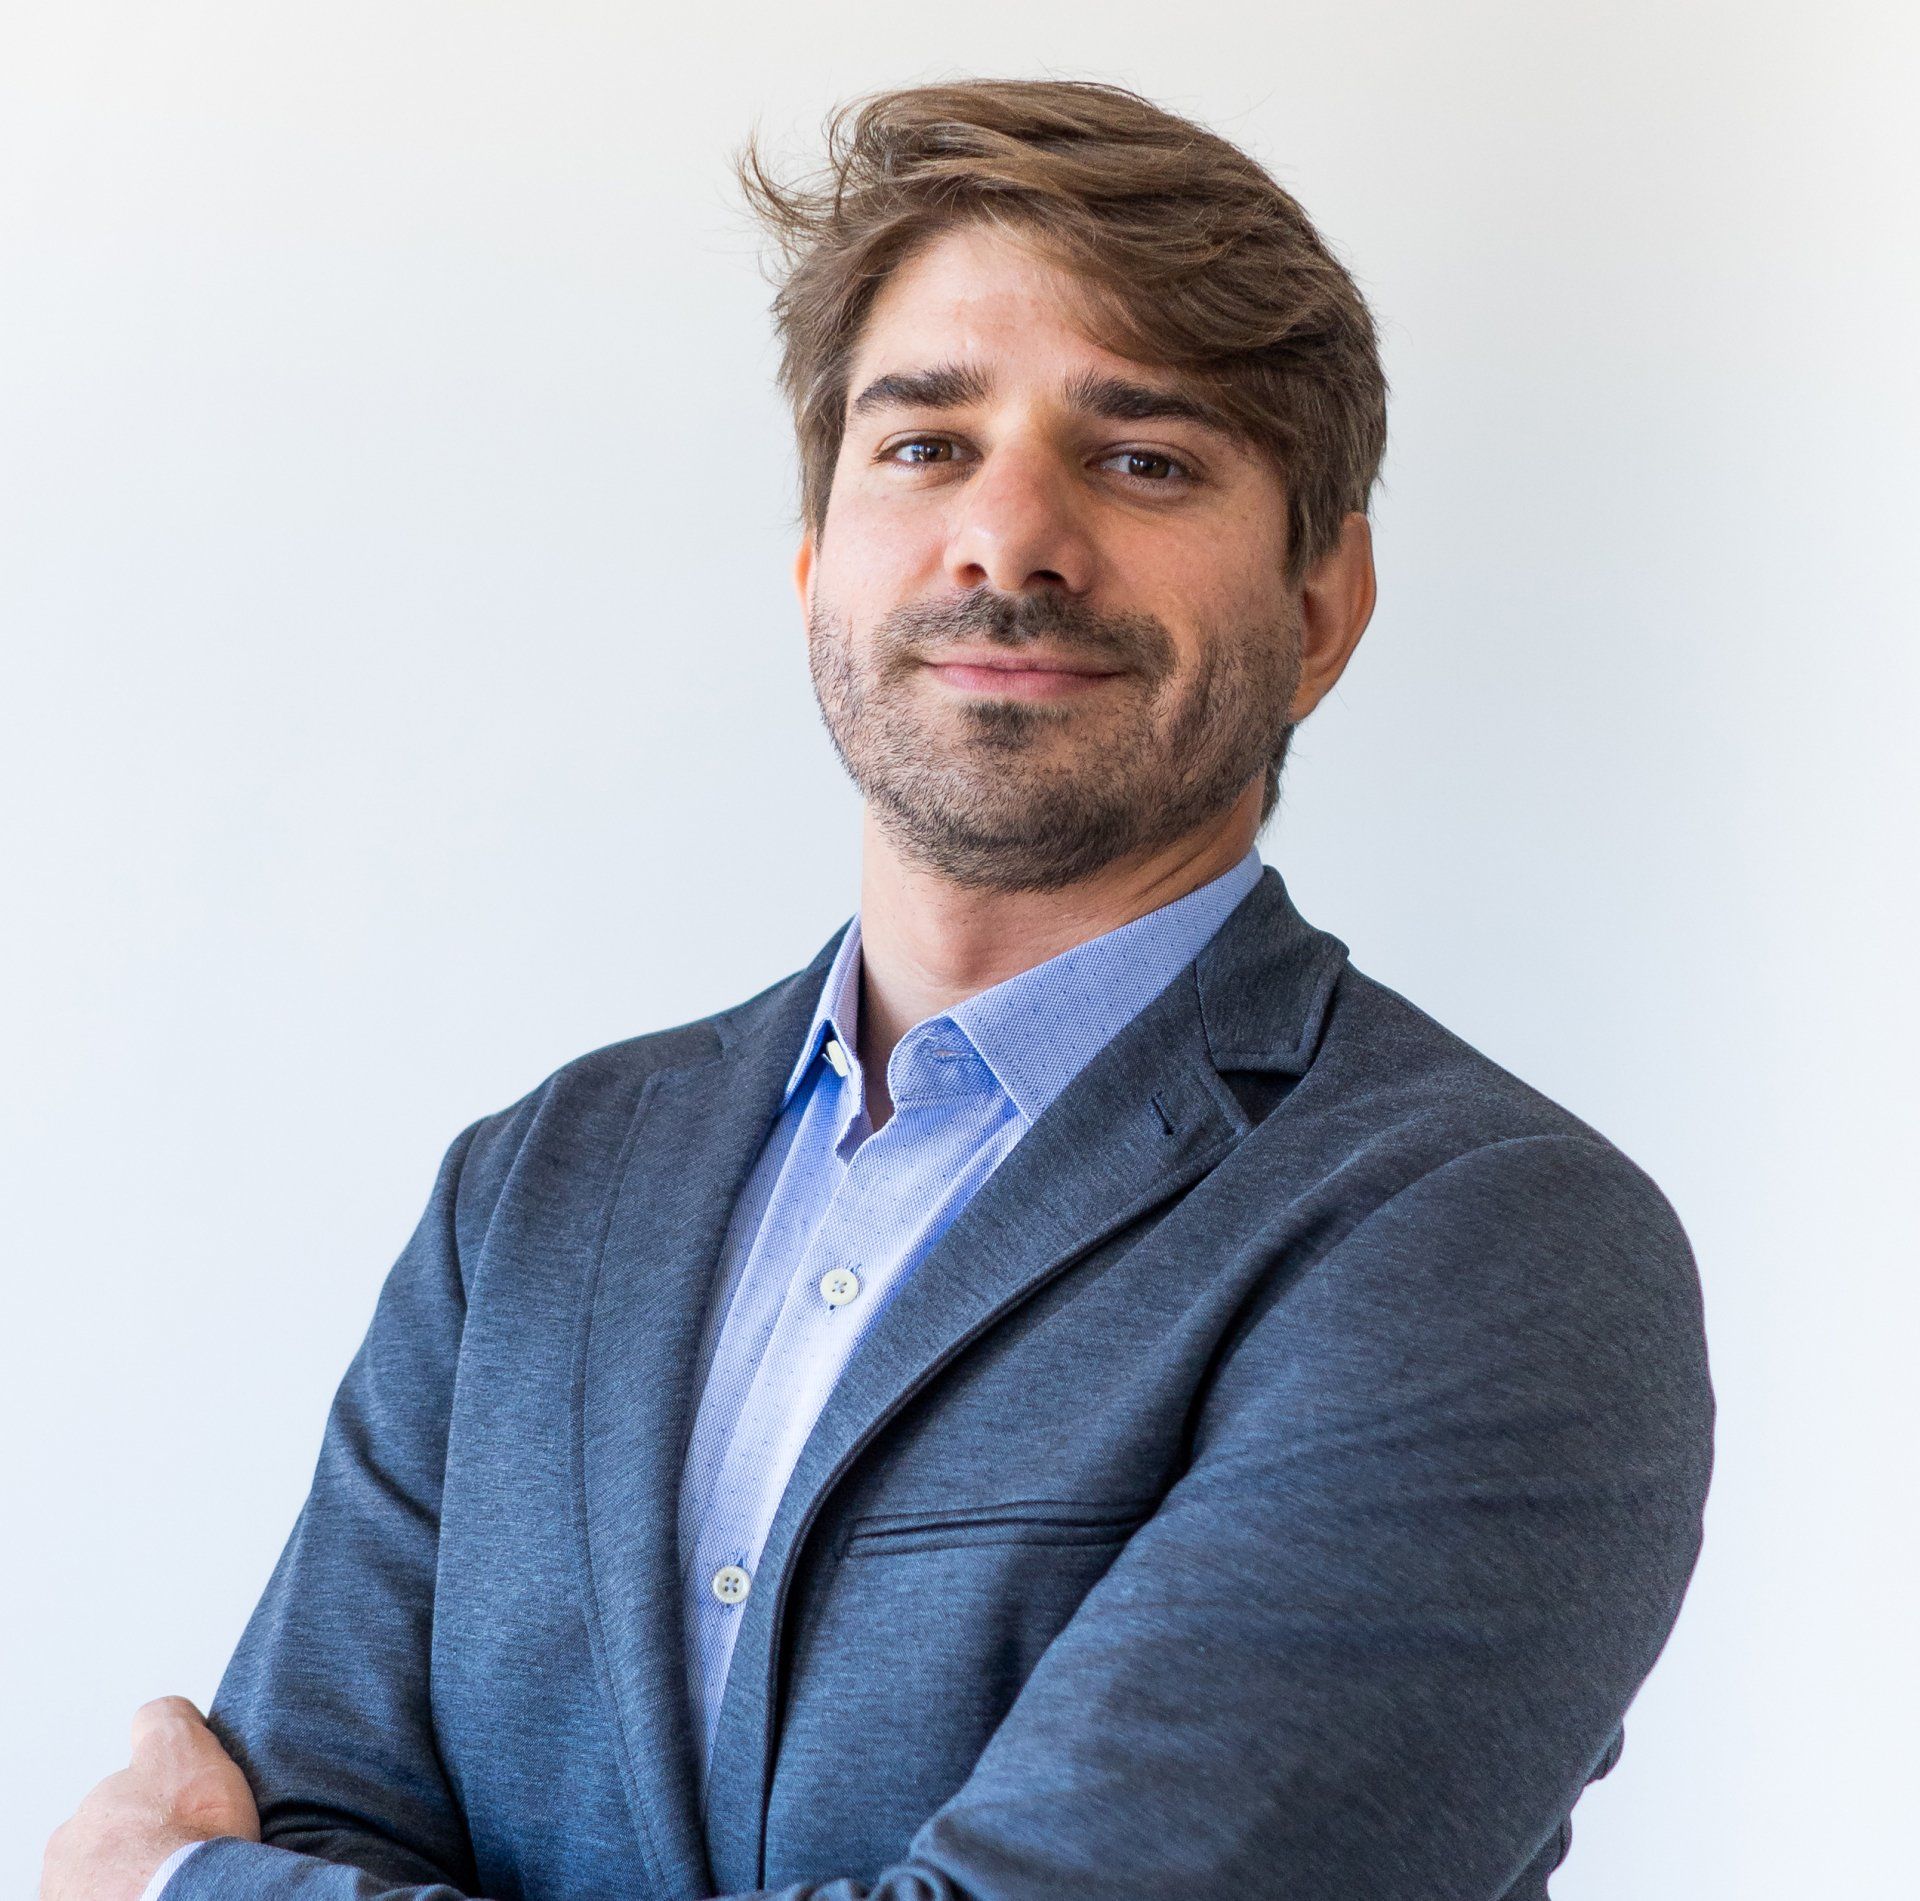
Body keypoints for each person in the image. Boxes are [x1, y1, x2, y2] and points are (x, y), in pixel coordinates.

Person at [42, 76, 1714, 1901]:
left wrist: (175, 1892)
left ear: (1321, 607)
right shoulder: (536, 1188)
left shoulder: (1486, 1244)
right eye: (924, 445)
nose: (1008, 541)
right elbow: (319, 1809)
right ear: (814, 563)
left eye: (1143, 459)